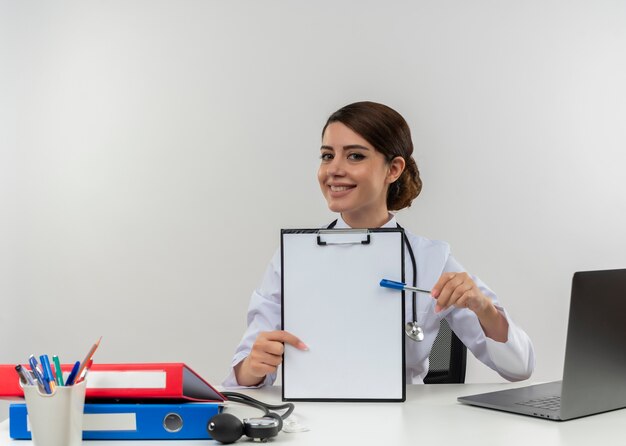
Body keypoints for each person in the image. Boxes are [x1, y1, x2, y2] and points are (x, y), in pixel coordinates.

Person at [223, 101, 534, 388]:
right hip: (312, 421)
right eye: (327, 155)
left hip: (401, 425)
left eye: (355, 155)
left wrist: (484, 309)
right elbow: (242, 378)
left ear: (393, 169)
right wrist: (253, 366)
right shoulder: (294, 255)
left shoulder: (431, 258)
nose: (334, 169)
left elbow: (519, 368)